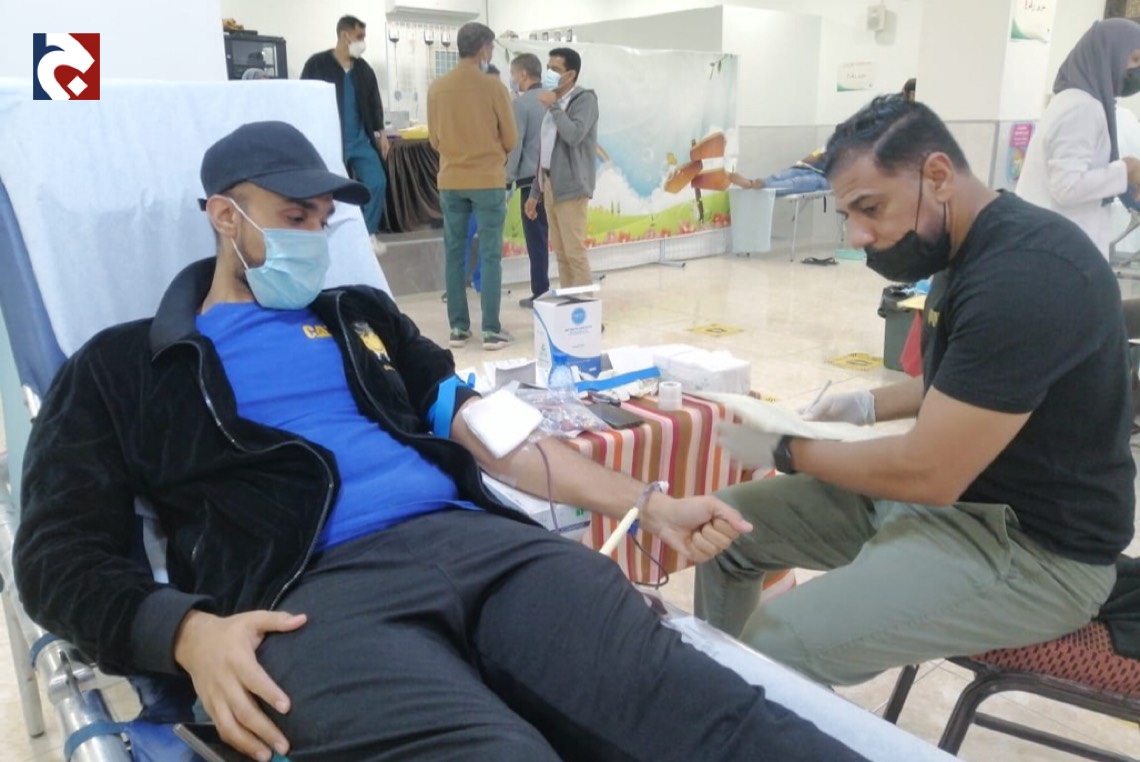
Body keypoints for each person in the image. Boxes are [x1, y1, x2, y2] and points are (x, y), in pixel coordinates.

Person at [13, 120, 869, 762]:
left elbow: (489, 431)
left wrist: (649, 502)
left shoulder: (361, 317)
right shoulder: (124, 366)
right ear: (223, 216)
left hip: (488, 551)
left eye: (322, 220)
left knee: (702, 715)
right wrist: (186, 633)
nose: (311, 237)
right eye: (291, 215)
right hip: (310, 599)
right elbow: (56, 552)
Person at [695, 94, 1135, 687]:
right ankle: (711, 698)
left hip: (1033, 550)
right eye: (848, 215)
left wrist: (786, 449)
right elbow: (971, 382)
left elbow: (929, 472)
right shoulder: (967, 243)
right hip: (952, 504)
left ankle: (744, 714)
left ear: (938, 176)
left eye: (871, 208)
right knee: (726, 529)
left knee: (780, 643)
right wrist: (866, 404)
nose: (859, 235)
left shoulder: (1027, 275)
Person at [1017, 18, 1140, 259]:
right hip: (1055, 249)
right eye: (1135, 59)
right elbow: (1067, 187)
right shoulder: (1082, 108)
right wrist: (1126, 169)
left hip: (1058, 244)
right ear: (1108, 55)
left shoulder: (1078, 102)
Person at [428, 22, 517, 351]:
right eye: (491, 48)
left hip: (451, 180)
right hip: (487, 179)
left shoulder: (437, 88)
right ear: (482, 49)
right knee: (490, 255)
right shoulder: (494, 88)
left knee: (454, 254)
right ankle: (491, 330)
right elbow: (511, 138)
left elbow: (434, 139)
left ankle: (458, 329)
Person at [301, 15, 389, 254]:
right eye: (360, 37)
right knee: (329, 192)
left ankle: (368, 234)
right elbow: (303, 99)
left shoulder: (363, 69)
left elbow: (374, 102)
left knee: (377, 182)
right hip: (329, 141)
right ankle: (328, 237)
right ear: (344, 35)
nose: (363, 42)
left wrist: (381, 133)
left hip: (360, 140)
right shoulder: (317, 65)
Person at [525, 47, 598, 289]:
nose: (549, 73)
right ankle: (570, 303)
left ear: (570, 75)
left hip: (571, 186)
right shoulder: (552, 102)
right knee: (561, 253)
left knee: (574, 252)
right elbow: (545, 150)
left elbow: (574, 135)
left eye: (555, 69)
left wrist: (555, 107)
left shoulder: (584, 100)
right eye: (548, 68)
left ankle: (584, 306)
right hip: (549, 184)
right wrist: (535, 191)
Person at [508, 52, 551, 307]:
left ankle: (540, 291)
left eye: (513, 74)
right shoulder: (554, 99)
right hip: (553, 179)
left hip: (529, 181)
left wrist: (507, 179)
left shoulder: (521, 104)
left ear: (523, 74)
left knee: (536, 240)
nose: (513, 79)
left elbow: (516, 146)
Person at [728, 148, 829, 196]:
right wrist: (801, 164)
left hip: (823, 177)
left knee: (799, 182)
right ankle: (752, 183)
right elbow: (811, 157)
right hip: (805, 168)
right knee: (782, 175)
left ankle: (760, 185)